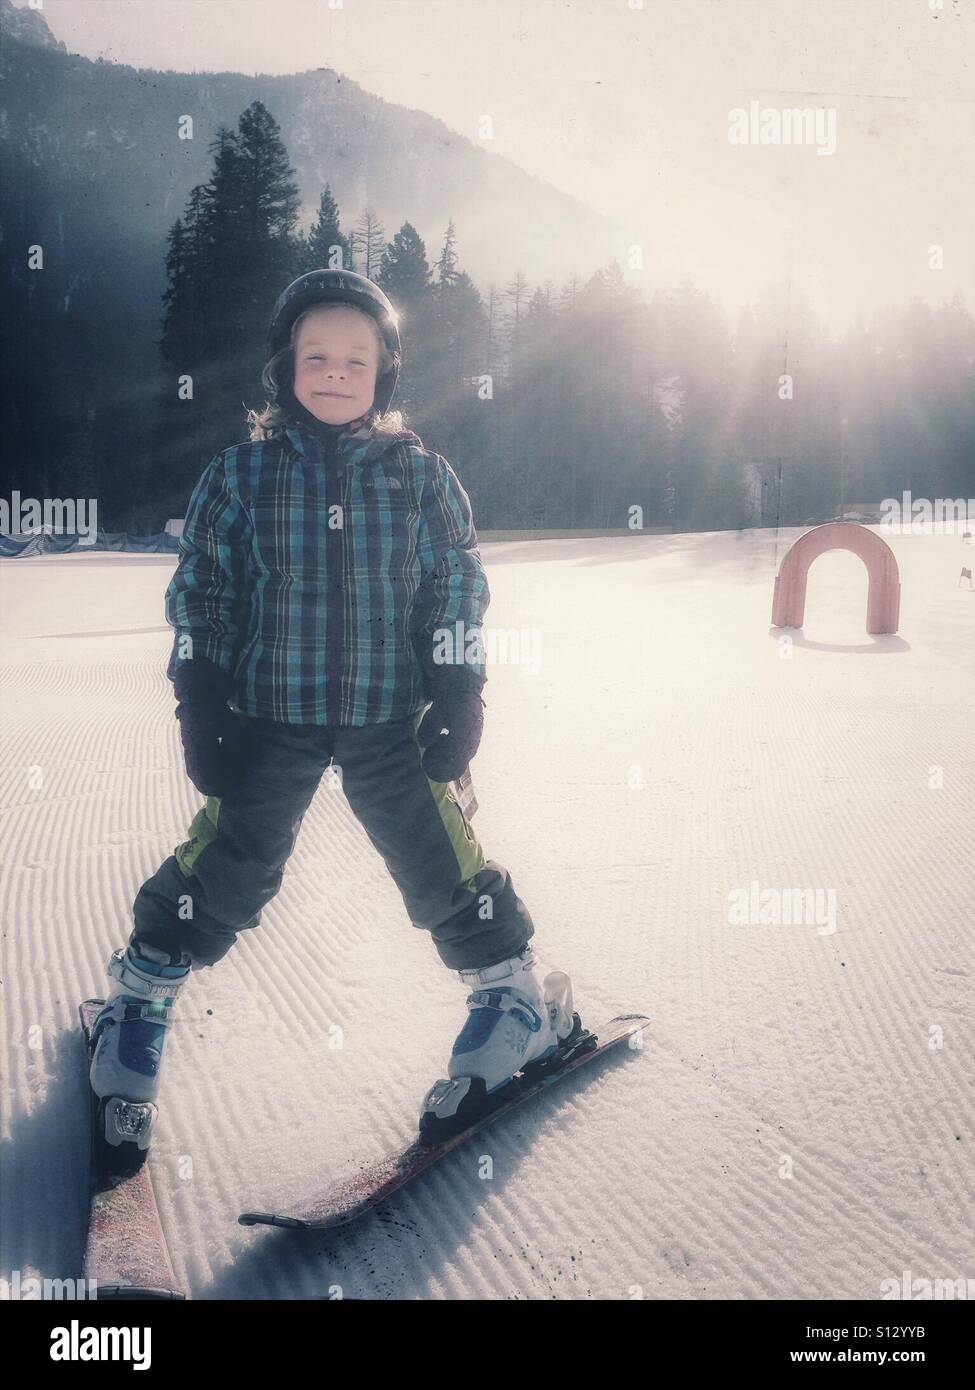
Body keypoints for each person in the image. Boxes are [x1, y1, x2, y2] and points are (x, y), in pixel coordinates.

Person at [88, 269, 578, 1163]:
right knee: (232, 863)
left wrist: (459, 687)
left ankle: (513, 996)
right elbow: (204, 588)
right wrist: (201, 699)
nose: (335, 372)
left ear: (384, 373)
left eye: (356, 359)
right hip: (269, 716)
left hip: (395, 720)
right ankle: (139, 995)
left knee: (436, 859)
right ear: (284, 368)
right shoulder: (240, 474)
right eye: (316, 356)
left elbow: (454, 586)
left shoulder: (420, 476)